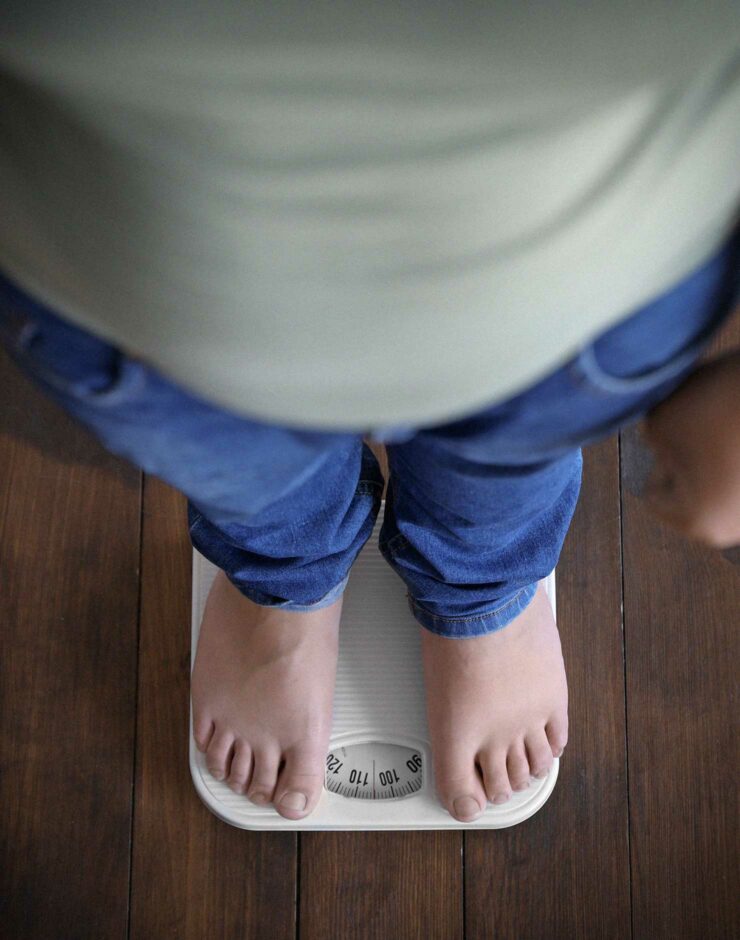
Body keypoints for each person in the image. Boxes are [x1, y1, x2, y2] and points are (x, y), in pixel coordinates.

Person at [1, 3, 738, 823]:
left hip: (581, 285)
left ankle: (476, 593)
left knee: (501, 479)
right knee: (247, 479)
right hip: (132, 296)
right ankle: (287, 584)